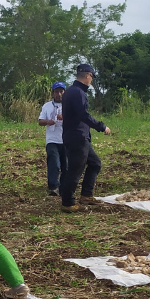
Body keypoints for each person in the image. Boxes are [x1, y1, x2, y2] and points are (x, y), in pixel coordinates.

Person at [60, 63, 111, 213]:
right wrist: (101, 126)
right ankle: (68, 203)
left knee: (95, 163)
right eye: (92, 77)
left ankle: (86, 195)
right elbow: (84, 115)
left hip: (78, 136)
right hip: (77, 137)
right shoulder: (77, 93)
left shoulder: (72, 91)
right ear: (88, 75)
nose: (91, 80)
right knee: (75, 169)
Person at [38, 82, 68, 196]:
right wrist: (48, 122)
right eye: (56, 92)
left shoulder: (69, 105)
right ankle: (53, 186)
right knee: (54, 163)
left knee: (66, 164)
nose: (59, 94)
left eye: (61, 91)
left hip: (65, 139)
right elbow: (40, 121)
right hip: (52, 139)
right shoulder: (47, 106)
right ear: (53, 93)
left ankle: (64, 185)